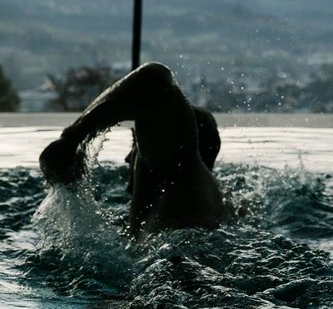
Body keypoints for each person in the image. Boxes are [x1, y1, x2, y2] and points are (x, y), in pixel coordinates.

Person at [39, 62, 224, 238]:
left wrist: (70, 139)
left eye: (135, 144)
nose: (128, 158)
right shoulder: (184, 206)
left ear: (163, 146)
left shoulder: (178, 174)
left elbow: (153, 78)